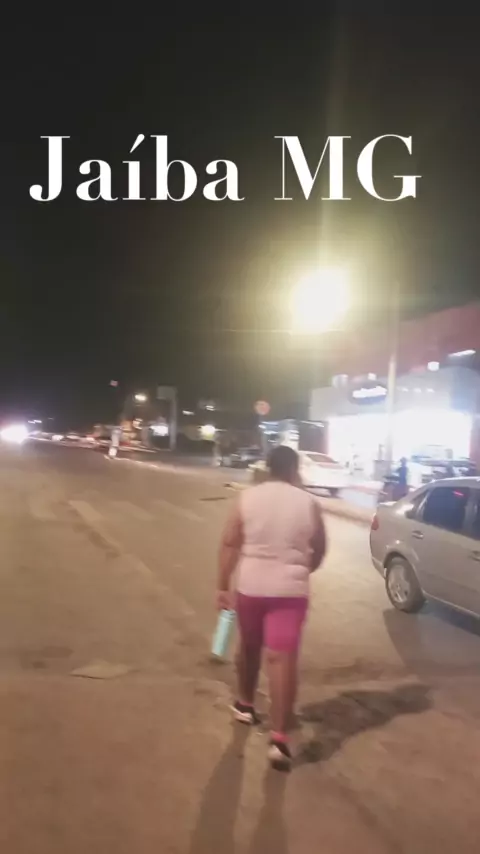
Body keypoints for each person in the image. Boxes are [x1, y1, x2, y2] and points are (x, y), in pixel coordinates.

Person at [216, 445, 327, 770]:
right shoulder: (308, 503)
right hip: (290, 592)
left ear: (268, 468)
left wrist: (222, 585)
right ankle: (279, 739)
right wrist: (300, 570)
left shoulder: (247, 498)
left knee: (249, 648)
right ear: (294, 469)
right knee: (282, 659)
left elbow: (230, 542)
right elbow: (319, 548)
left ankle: (245, 704)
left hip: (251, 587)